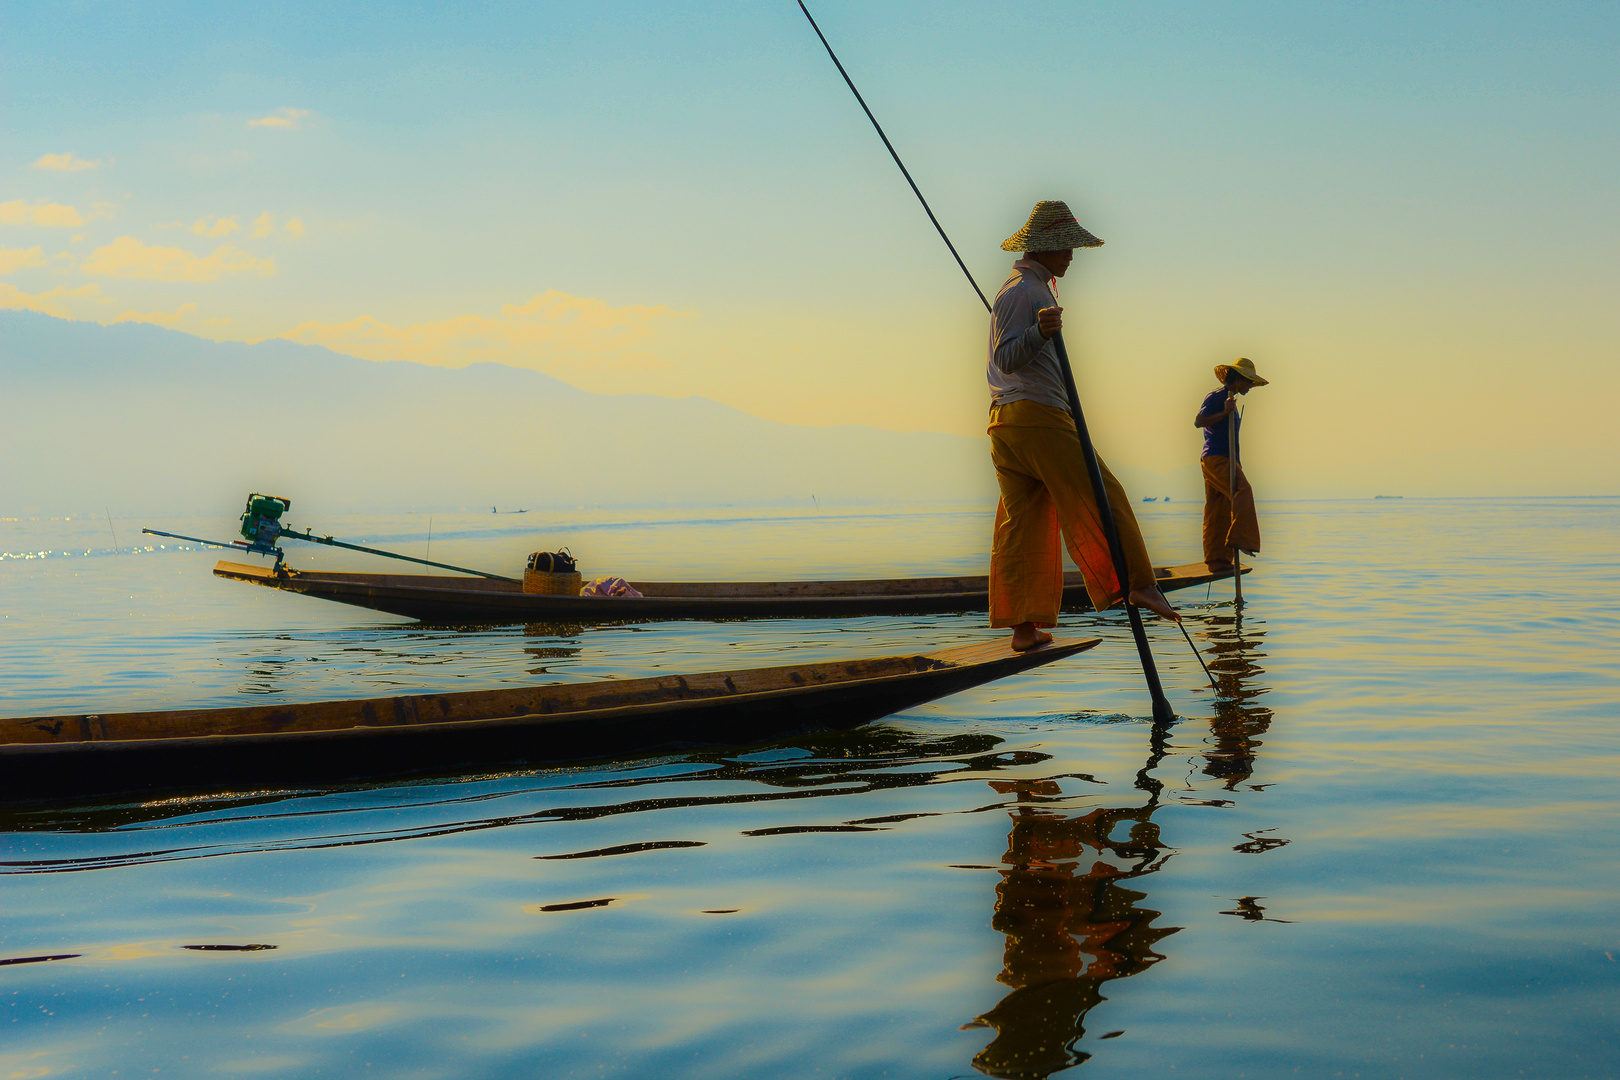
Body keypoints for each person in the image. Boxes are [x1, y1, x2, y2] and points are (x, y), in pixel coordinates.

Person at [987, 200, 1179, 652]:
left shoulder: (1029, 287)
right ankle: (1138, 582)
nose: (1072, 255)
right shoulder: (1023, 292)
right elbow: (1006, 358)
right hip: (1035, 417)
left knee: (1025, 525)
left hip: (1007, 423)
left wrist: (1040, 330)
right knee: (1102, 491)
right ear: (1045, 248)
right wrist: (1039, 331)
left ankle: (1024, 629)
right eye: (1066, 246)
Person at [1194, 357, 1267, 570]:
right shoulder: (1217, 397)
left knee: (1219, 508)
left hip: (1226, 458)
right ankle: (1243, 540)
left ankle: (1217, 560)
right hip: (1216, 458)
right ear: (1238, 379)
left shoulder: (1230, 400)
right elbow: (1199, 421)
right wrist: (1224, 412)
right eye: (1248, 382)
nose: (1250, 387)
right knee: (1242, 490)